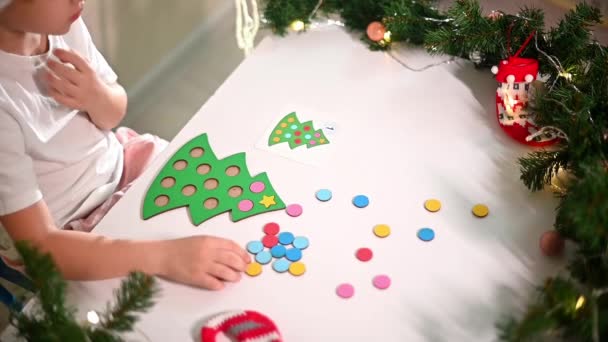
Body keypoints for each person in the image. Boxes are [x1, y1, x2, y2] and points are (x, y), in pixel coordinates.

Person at [0, 0, 250, 290]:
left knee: (230, 215)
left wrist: (95, 95)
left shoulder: (62, 27)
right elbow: (41, 248)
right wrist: (169, 256)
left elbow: (113, 114)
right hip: (76, 235)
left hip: (126, 166)